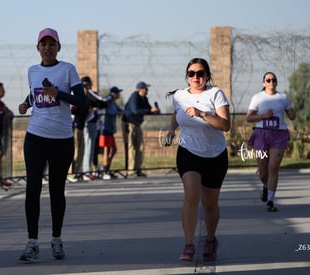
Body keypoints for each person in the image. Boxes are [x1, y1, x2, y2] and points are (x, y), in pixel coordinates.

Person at [18, 28, 86, 262]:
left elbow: (82, 102)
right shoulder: (32, 70)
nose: (47, 47)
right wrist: (26, 104)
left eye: (52, 43)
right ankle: (32, 242)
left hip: (61, 139)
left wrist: (60, 94)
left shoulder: (68, 69)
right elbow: (35, 93)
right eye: (43, 44)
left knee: (57, 190)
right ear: (37, 48)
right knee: (32, 188)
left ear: (58, 47)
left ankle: (56, 239)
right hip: (35, 137)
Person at [165, 58, 231, 262]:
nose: (196, 77)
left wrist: (203, 114)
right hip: (188, 152)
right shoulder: (179, 96)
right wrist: (170, 130)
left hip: (215, 155)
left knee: (210, 204)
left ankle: (211, 240)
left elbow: (225, 125)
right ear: (187, 76)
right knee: (191, 197)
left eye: (200, 73)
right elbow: (177, 114)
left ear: (207, 76)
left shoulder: (216, 94)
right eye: (191, 73)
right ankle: (189, 245)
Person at [246, 72, 296, 212]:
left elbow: (292, 114)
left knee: (273, 167)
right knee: (263, 172)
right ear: (264, 83)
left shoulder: (283, 97)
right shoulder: (258, 98)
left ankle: (270, 201)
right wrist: (263, 116)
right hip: (261, 135)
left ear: (276, 82)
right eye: (268, 80)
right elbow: (248, 118)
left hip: (278, 134)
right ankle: (266, 186)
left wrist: (292, 114)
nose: (271, 82)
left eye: (274, 80)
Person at [122, 81, 159, 177]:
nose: (146, 90)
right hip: (129, 124)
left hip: (137, 124)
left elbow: (148, 109)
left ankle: (138, 168)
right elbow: (135, 110)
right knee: (131, 147)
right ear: (140, 89)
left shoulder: (144, 99)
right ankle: (131, 170)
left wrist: (154, 111)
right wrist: (149, 110)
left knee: (140, 147)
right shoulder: (135, 96)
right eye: (145, 88)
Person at [81, 76, 113, 180]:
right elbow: (102, 100)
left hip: (89, 123)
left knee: (89, 148)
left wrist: (97, 107)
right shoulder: (89, 93)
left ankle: (87, 170)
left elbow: (99, 103)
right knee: (88, 147)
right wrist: (111, 96)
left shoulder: (85, 94)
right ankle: (86, 171)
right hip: (88, 123)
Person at [99, 86, 123, 180]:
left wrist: (120, 112)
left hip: (111, 130)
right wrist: (117, 113)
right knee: (107, 150)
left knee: (114, 150)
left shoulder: (114, 103)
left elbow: (119, 109)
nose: (119, 94)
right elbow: (107, 110)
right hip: (105, 129)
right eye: (118, 93)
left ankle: (106, 167)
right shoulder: (108, 101)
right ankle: (105, 170)